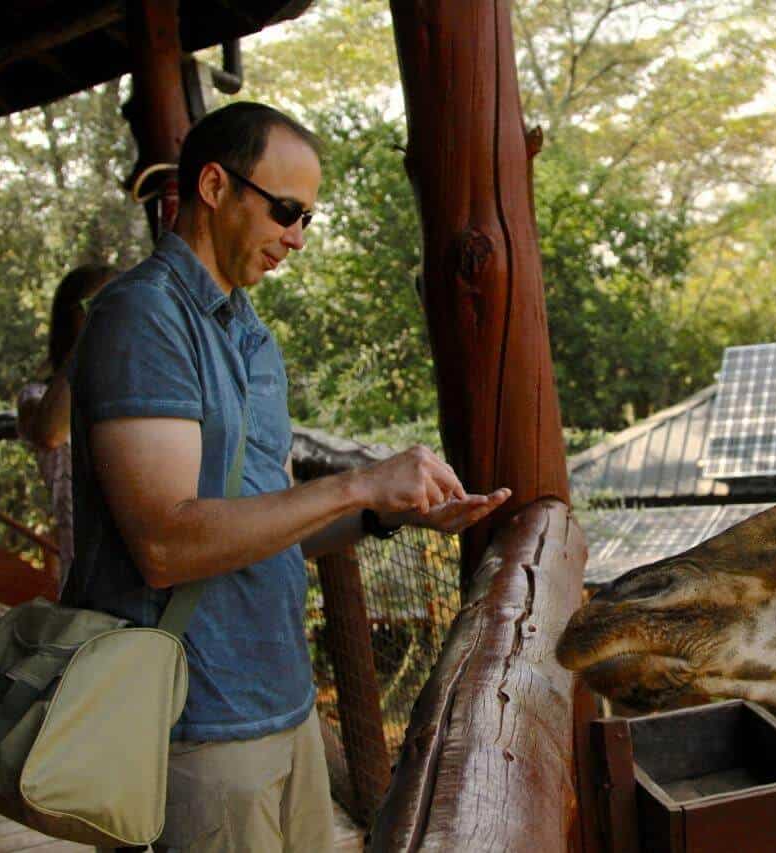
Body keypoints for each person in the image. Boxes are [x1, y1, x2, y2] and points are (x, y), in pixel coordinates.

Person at [66, 102, 510, 853]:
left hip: (286, 702)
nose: (297, 237)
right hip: (197, 726)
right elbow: (165, 545)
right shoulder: (143, 318)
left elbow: (273, 524)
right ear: (213, 185)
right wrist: (356, 485)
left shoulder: (251, 336)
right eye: (284, 210)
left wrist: (389, 514)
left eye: (308, 217)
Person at [15, 264, 116, 596]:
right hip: (85, 580)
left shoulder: (132, 390)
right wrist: (92, 335)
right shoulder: (37, 397)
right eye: (94, 306)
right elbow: (51, 433)